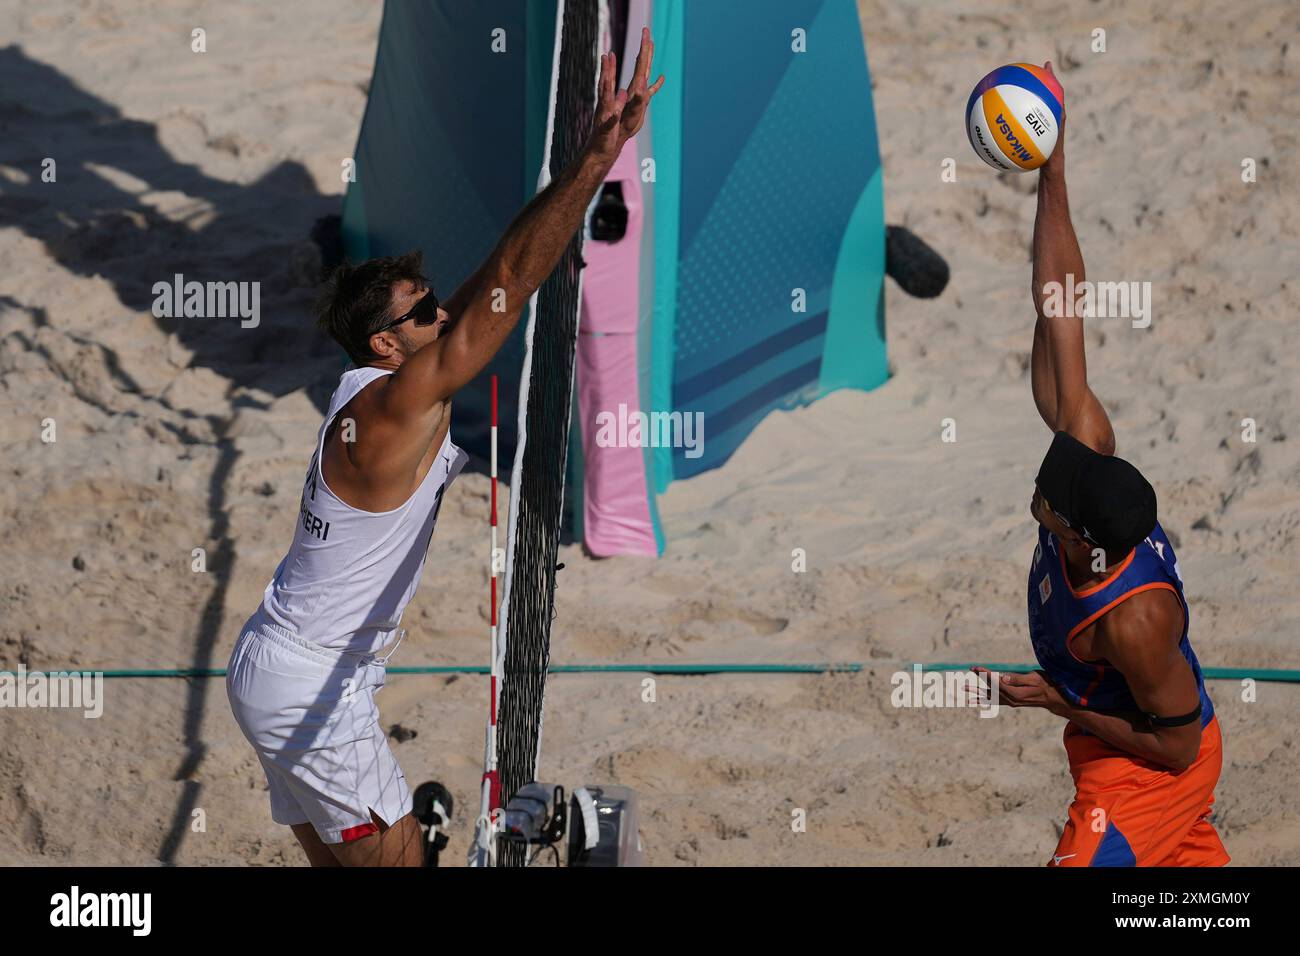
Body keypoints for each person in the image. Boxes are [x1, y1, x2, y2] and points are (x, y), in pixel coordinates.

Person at [226, 31, 665, 866]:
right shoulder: (396, 404)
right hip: (312, 686)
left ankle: (419, 831)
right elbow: (510, 279)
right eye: (420, 315)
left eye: (433, 305)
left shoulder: (377, 388)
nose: (438, 319)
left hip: (280, 669)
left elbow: (492, 282)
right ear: (382, 346)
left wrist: (575, 168)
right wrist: (595, 160)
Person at [979, 63, 1228, 867]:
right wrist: (1053, 169)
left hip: (1147, 775)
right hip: (1109, 752)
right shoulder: (1091, 472)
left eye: (1052, 496)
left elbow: (1180, 747)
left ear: (1083, 540)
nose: (1045, 480)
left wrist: (1057, 700)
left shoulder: (1134, 620)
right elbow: (1059, 303)